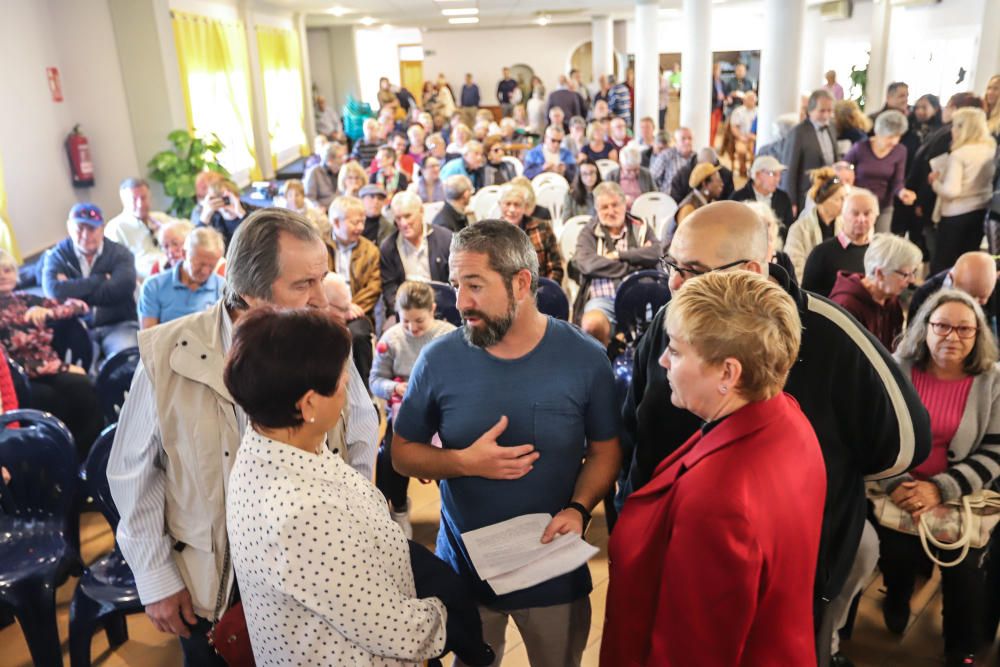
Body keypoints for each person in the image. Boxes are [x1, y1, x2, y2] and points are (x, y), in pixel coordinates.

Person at [627, 201, 930, 667]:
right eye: (671, 265)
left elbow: (905, 442)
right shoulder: (675, 318)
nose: (673, 283)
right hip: (671, 556)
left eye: (690, 270)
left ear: (750, 270)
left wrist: (827, 498)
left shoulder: (829, 335)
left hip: (793, 574)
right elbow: (636, 425)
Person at [108, 208, 379, 665]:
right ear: (251, 292)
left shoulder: (320, 336)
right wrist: (156, 576)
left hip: (317, 569)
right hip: (214, 582)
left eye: (321, 279)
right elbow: (131, 471)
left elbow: (360, 430)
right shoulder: (170, 353)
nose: (320, 298)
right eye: (303, 285)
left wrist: (357, 528)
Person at [391, 220, 621, 667]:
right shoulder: (440, 359)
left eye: (474, 285)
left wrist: (578, 508)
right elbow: (402, 453)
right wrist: (463, 462)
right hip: (465, 568)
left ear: (521, 282)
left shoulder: (584, 358)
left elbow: (606, 451)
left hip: (552, 572)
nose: (460, 303)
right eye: (457, 285)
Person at [602, 270, 825, 666]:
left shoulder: (718, 501)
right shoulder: (787, 417)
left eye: (676, 349)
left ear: (728, 372)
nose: (663, 360)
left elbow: (693, 649)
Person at [223, 307, 451, 666]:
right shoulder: (302, 513)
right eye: (341, 378)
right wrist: (448, 613)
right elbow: (393, 630)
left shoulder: (270, 445)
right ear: (309, 404)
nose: (347, 384)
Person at [878, 289, 1000, 667]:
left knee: (963, 567)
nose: (953, 336)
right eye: (942, 326)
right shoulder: (895, 369)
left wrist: (940, 488)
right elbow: (874, 437)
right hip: (899, 486)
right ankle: (895, 598)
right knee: (895, 552)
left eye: (965, 329)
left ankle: (958, 647)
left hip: (961, 491)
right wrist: (897, 482)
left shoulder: (992, 380)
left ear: (978, 335)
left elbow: (995, 452)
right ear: (924, 328)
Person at [371, 281, 455, 537]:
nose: (412, 328)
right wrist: (395, 389)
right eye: (405, 321)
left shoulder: (448, 336)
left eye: (419, 320)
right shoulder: (391, 339)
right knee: (389, 459)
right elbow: (375, 380)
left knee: (451, 459)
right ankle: (398, 508)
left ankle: (453, 508)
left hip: (442, 414)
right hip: (402, 414)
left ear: (432, 309)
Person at [0, 248, 103, 456]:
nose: (3, 275)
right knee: (51, 399)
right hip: (19, 379)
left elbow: (79, 306)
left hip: (50, 369)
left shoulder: (26, 299)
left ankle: (93, 455)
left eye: (7, 270)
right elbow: (8, 363)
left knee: (83, 387)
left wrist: (49, 312)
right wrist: (63, 367)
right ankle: (62, 461)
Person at [42, 203, 139, 358]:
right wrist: (99, 279)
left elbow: (122, 289)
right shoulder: (57, 255)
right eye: (80, 228)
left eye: (92, 229)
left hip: (119, 324)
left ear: (102, 228)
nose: (86, 235)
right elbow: (53, 290)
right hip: (76, 327)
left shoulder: (120, 254)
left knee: (126, 364)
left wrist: (74, 293)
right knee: (80, 376)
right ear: (69, 227)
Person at [573, 182, 660, 347]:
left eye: (615, 205)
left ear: (624, 204)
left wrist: (619, 255)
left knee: (663, 323)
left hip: (641, 296)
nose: (611, 211)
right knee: (592, 324)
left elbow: (656, 253)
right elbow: (587, 264)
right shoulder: (589, 232)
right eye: (604, 207)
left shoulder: (640, 226)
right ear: (597, 210)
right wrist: (635, 265)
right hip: (604, 299)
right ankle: (601, 368)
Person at [930, 107, 997, 274]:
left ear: (963, 128)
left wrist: (935, 182)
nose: (951, 130)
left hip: (955, 215)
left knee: (943, 267)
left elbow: (951, 191)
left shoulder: (959, 154)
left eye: (954, 125)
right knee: (967, 266)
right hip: (980, 211)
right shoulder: (991, 149)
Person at [828, 233, 921, 350]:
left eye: (913, 273)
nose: (912, 280)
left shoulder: (890, 299)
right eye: (905, 275)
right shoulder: (846, 305)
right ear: (880, 274)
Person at [325, 195, 381, 386]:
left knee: (358, 336)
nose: (360, 227)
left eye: (362, 222)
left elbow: (374, 287)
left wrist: (349, 308)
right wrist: (338, 308)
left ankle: (366, 389)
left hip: (358, 310)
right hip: (326, 309)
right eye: (354, 222)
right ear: (335, 222)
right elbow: (317, 281)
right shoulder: (319, 246)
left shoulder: (370, 250)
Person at [138, 227, 226, 328]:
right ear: (184, 254)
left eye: (212, 266)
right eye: (200, 264)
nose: (205, 271)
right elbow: (149, 337)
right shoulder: (153, 286)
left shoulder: (223, 288)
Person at [380, 192, 452, 314]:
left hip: (442, 309)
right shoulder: (388, 247)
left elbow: (454, 281)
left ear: (421, 211)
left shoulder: (446, 238)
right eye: (398, 218)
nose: (403, 223)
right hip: (404, 311)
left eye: (408, 216)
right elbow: (389, 289)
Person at [844, 110, 916, 233]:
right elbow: (843, 169)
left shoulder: (900, 151)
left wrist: (902, 192)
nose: (895, 141)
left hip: (884, 206)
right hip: (859, 205)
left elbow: (897, 181)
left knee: (880, 242)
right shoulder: (860, 148)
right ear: (878, 132)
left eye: (898, 136)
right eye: (890, 137)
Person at [802, 188, 879, 297]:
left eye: (867, 213)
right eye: (855, 213)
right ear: (843, 215)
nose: (861, 219)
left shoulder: (880, 253)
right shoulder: (821, 253)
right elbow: (807, 299)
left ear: (876, 216)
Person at [908, 251, 999, 334]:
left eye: (982, 298)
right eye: (969, 297)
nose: (974, 304)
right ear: (952, 279)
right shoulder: (924, 294)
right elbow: (912, 342)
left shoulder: (995, 288)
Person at [784, 167, 848, 282]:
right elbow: (795, 270)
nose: (845, 204)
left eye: (845, 198)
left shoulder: (846, 226)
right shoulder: (799, 229)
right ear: (824, 201)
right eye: (839, 199)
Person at [783, 89, 840, 214]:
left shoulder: (831, 127)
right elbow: (790, 169)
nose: (826, 115)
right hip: (805, 195)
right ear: (810, 110)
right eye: (822, 111)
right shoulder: (798, 133)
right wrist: (790, 201)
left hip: (828, 193)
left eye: (830, 111)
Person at [104, 178, 172, 279]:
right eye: (134, 199)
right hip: (146, 280)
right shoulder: (115, 228)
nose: (140, 204)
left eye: (143, 198)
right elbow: (114, 266)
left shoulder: (161, 218)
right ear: (124, 201)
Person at [498, 183, 564, 282]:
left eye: (517, 205)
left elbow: (555, 268)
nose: (511, 210)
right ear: (500, 205)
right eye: (508, 204)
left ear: (525, 207)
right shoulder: (492, 233)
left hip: (538, 289)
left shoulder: (542, 228)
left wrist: (545, 291)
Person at [729, 155, 794, 234]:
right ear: (757, 175)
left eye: (779, 174)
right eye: (772, 174)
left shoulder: (783, 198)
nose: (778, 179)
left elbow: (789, 230)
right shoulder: (738, 198)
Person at [197, 179, 247, 250]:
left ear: (236, 196)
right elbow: (195, 244)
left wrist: (242, 214)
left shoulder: (253, 212)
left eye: (226, 198)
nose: (222, 201)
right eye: (216, 199)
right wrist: (205, 215)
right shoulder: (213, 220)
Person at [303, 141, 347, 211]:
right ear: (330, 160)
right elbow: (309, 198)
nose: (343, 160)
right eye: (340, 157)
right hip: (324, 211)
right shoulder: (314, 172)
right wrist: (317, 207)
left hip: (342, 209)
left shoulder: (344, 170)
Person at [651, 127, 694, 193]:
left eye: (690, 138)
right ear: (676, 141)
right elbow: (651, 178)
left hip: (690, 199)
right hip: (668, 199)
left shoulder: (696, 157)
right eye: (683, 139)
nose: (687, 142)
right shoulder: (666, 156)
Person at [726, 90, 758, 177]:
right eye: (749, 99)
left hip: (754, 139)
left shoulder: (758, 112)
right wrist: (741, 137)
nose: (751, 101)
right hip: (742, 138)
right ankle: (742, 171)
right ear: (744, 100)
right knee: (741, 151)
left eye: (753, 99)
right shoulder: (738, 112)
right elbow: (734, 127)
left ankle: (752, 171)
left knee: (756, 152)